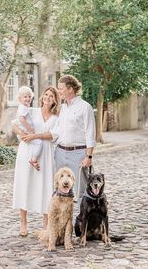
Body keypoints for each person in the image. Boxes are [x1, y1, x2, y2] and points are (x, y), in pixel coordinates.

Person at [22, 75, 95, 203]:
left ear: (71, 89)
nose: (59, 91)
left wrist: (88, 157)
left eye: (61, 89)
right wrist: (36, 135)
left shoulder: (85, 107)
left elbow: (90, 133)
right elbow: (56, 132)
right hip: (60, 153)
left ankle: (81, 222)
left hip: (78, 154)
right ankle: (64, 222)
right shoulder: (63, 108)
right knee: (61, 191)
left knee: (80, 192)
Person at [12, 86, 60, 237]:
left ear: (55, 101)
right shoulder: (31, 111)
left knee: (46, 186)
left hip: (45, 153)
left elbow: (53, 135)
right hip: (27, 151)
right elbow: (14, 124)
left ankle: (45, 224)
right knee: (24, 184)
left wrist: (35, 136)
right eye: (46, 94)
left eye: (51, 96)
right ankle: (23, 222)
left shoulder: (56, 118)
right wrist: (23, 134)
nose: (47, 98)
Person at [12, 86, 42, 171]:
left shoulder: (24, 107)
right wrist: (30, 128)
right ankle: (34, 159)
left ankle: (32, 158)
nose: (28, 98)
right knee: (39, 143)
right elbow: (21, 120)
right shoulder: (23, 108)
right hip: (25, 133)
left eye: (29, 96)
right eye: (25, 97)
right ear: (20, 98)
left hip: (24, 134)